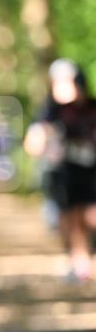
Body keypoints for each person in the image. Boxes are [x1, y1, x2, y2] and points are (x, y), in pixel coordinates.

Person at [24, 59, 96, 281]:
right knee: (70, 219)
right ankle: (79, 263)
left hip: (91, 171)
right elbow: (33, 143)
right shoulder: (49, 111)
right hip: (63, 173)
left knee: (91, 216)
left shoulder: (92, 107)